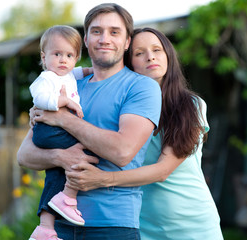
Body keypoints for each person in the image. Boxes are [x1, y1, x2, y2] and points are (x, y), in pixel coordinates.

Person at [17, 3, 162, 240]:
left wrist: (63, 119)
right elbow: (24, 155)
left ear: (126, 42)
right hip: (58, 226)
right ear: (85, 40)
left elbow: (123, 151)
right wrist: (60, 156)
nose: (104, 38)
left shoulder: (141, 87)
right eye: (96, 31)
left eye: (114, 32)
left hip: (112, 225)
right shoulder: (65, 86)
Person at [66, 28, 224, 240]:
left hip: (192, 223)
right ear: (129, 63)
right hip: (143, 224)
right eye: (139, 53)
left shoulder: (191, 106)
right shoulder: (122, 109)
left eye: (157, 50)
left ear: (168, 55)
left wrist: (103, 179)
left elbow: (162, 171)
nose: (150, 56)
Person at [28, 25, 96, 239]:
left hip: (55, 131)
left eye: (69, 55)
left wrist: (92, 71)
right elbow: (40, 98)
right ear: (44, 57)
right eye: (57, 54)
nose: (63, 60)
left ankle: (45, 229)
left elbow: (79, 72)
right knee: (91, 146)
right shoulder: (46, 78)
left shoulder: (68, 75)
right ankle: (67, 197)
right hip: (48, 131)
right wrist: (64, 101)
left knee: (56, 174)